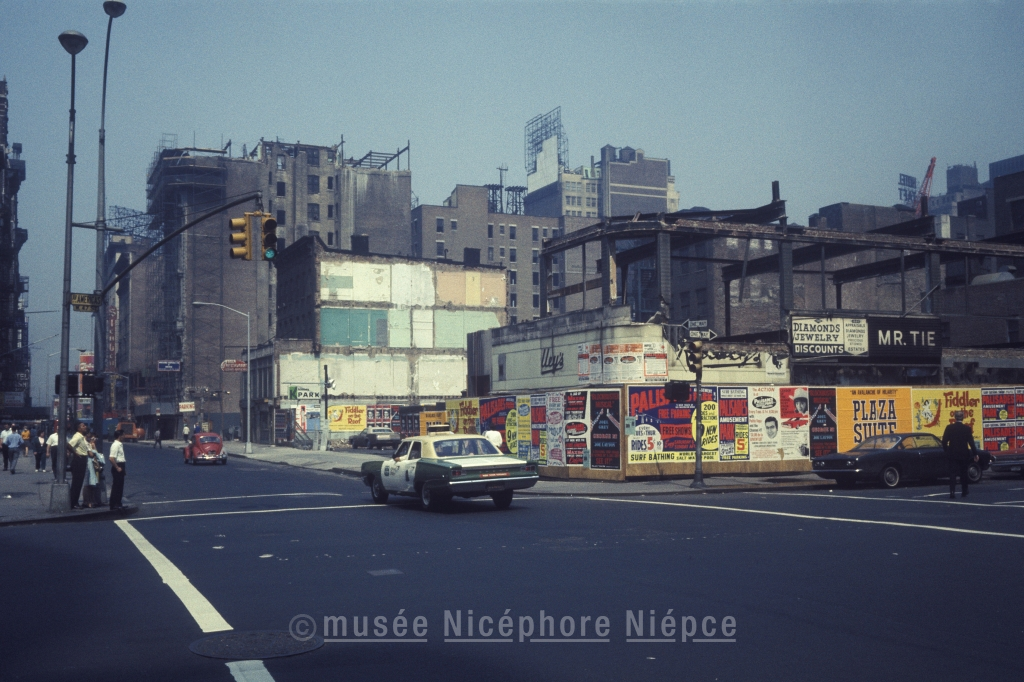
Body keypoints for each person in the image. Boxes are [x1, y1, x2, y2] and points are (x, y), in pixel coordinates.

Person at [942, 410, 979, 499]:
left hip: (953, 454)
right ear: (963, 418)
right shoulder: (966, 428)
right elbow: (971, 442)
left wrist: (947, 450)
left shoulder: (949, 428)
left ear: (955, 417)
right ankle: (964, 491)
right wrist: (975, 454)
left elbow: (944, 442)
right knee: (963, 473)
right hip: (963, 454)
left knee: (952, 474)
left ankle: (952, 492)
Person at [68, 422, 91, 509]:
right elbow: (69, 445)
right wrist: (75, 453)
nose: (85, 427)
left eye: (85, 425)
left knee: (79, 482)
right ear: (79, 429)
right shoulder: (77, 436)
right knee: (76, 483)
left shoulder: (82, 437)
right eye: (83, 426)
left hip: (82, 459)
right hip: (78, 460)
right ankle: (73, 503)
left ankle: (75, 502)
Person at [82, 435, 104, 508]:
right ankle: (87, 502)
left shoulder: (92, 447)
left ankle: (94, 501)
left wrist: (94, 449)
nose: (95, 440)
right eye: (93, 438)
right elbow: (91, 455)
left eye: (95, 438)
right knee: (88, 484)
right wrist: (94, 449)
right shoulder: (87, 446)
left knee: (94, 485)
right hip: (89, 467)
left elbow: (101, 460)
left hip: (94, 468)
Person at [109, 429, 127, 511]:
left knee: (120, 486)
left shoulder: (120, 444)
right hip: (118, 466)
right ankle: (114, 504)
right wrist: (117, 467)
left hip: (121, 466)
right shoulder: (115, 445)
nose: (124, 436)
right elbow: (111, 458)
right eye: (123, 435)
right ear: (119, 436)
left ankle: (118, 503)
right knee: (116, 486)